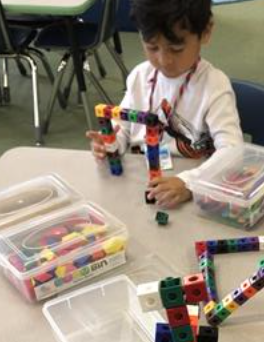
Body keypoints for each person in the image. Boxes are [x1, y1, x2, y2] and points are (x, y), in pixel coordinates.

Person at [86, 0, 243, 208]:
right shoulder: (140, 76)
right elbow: (124, 125)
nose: (164, 60)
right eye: (152, 47)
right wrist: (111, 143)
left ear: (205, 31)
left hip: (188, 186)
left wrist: (188, 183)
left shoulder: (214, 86)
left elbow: (233, 151)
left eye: (176, 48)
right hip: (138, 181)